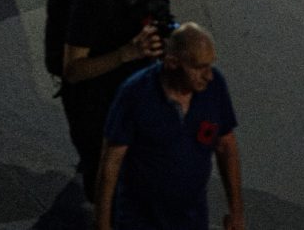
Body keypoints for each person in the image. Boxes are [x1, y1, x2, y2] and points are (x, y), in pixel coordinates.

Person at [60, 0, 181, 200]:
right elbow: (73, 71)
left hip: (136, 90)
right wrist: (128, 53)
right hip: (95, 101)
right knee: (104, 179)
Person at [96, 23, 244, 230]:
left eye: (210, 65)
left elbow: (226, 146)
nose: (208, 75)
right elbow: (111, 161)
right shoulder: (135, 94)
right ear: (173, 62)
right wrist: (103, 225)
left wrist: (236, 212)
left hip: (191, 220)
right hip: (141, 221)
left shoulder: (214, 87)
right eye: (199, 67)